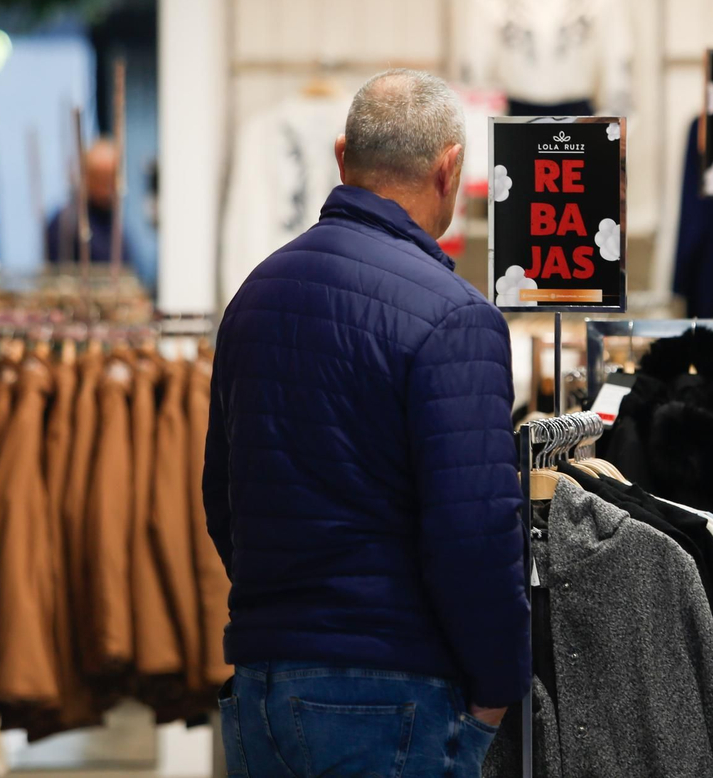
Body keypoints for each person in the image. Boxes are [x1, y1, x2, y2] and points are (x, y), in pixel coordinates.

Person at [205, 70, 528, 777]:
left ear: (341, 154)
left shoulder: (255, 296)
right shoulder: (456, 316)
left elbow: (223, 499)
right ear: (449, 169)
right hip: (394, 693)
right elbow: (473, 533)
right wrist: (499, 693)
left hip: (260, 686)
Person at [45, 137, 131, 266]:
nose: (110, 185)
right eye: (102, 176)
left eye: (113, 176)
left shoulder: (114, 222)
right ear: (86, 176)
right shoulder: (65, 224)